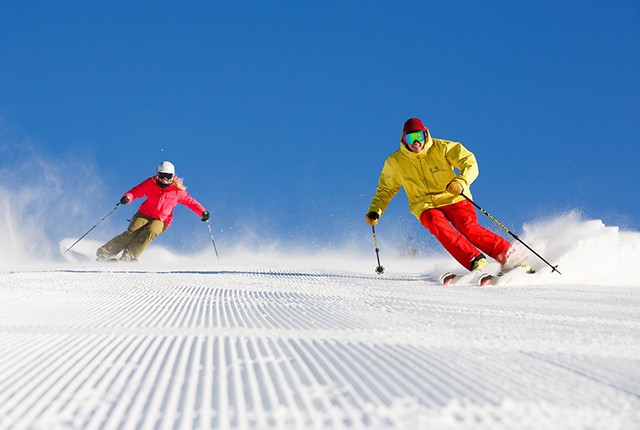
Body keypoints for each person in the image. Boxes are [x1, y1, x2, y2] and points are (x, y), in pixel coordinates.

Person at [365, 117, 532, 274]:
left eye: (418, 137)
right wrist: (375, 210)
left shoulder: (442, 147)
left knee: (468, 227)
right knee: (435, 223)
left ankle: (512, 258)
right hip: (424, 204)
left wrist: (460, 181)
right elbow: (386, 189)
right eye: (410, 138)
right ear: (403, 140)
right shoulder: (395, 162)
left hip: (453, 196)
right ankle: (475, 260)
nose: (416, 142)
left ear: (425, 134)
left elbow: (469, 162)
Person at [96, 161, 210, 262]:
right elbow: (136, 191)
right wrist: (127, 197)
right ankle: (105, 253)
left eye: (168, 177)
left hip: (162, 219)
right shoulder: (150, 183)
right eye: (162, 176)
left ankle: (130, 255)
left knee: (151, 230)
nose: (165, 180)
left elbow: (191, 202)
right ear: (157, 175)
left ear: (173, 176)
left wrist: (202, 212)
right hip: (144, 214)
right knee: (132, 232)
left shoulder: (177, 191)